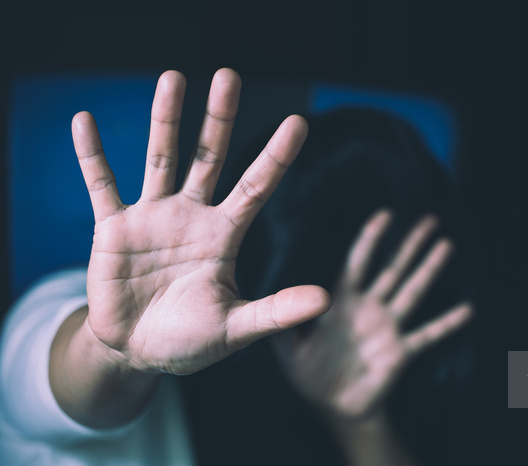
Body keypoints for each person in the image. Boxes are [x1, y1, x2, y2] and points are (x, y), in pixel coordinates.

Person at [1, 70, 472, 465]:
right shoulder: (92, 307)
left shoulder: (410, 388)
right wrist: (116, 355)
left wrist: (358, 424)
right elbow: (39, 390)